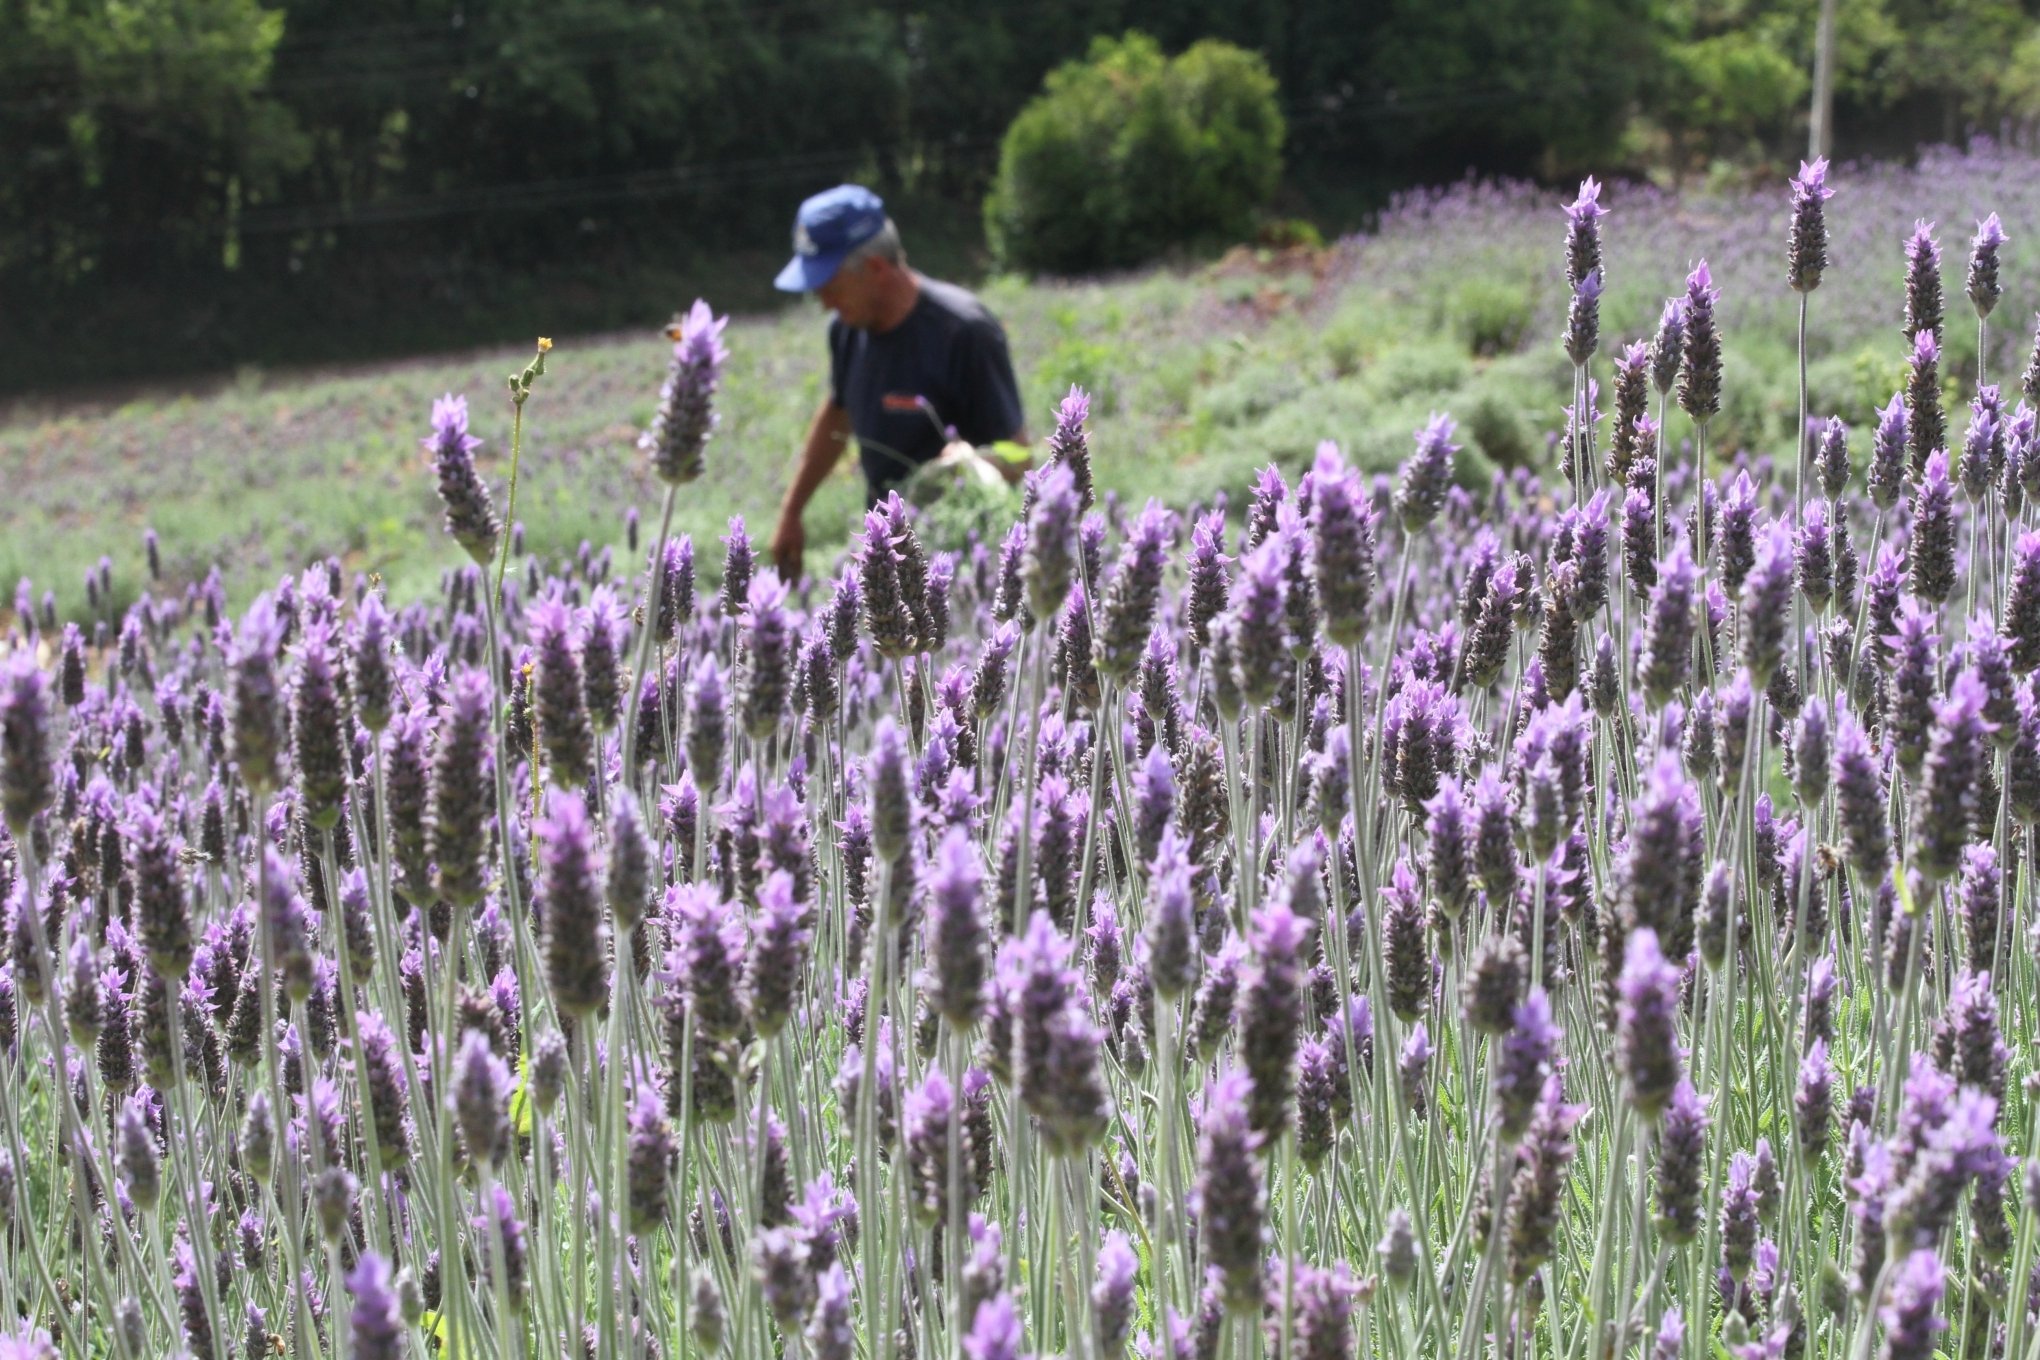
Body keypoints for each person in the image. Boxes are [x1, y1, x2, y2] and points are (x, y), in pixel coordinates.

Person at [769, 184, 1028, 580]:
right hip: (884, 562)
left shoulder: (963, 332)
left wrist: (967, 465)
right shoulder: (847, 330)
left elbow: (1020, 457)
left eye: (831, 287)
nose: (824, 303)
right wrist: (792, 510)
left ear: (875, 267)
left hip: (961, 562)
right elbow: (838, 414)